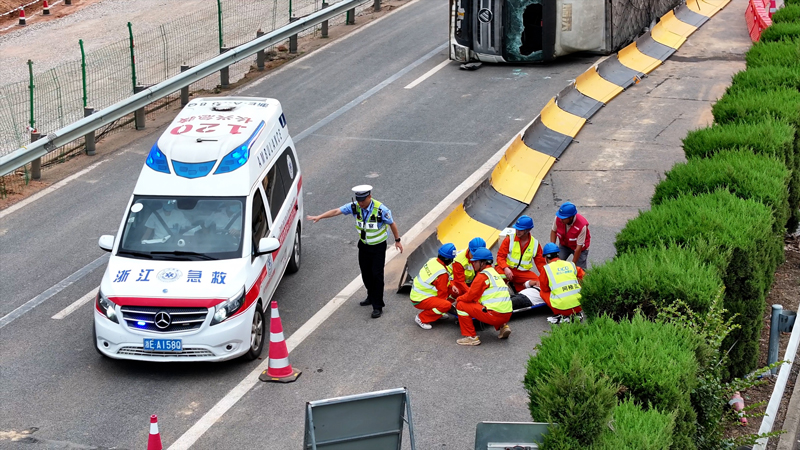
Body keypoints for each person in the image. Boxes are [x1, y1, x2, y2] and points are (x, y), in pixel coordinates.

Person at [306, 185, 403, 318]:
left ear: (370, 196)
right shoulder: (355, 207)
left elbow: (392, 223)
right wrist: (320, 217)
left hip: (378, 247)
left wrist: (397, 240)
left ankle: (377, 306)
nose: (360, 203)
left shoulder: (381, 209)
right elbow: (336, 211)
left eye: (363, 200)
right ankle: (370, 295)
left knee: (376, 275)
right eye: (358, 200)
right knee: (366, 274)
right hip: (363, 246)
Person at [454, 248, 513, 346]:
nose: (473, 264)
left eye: (475, 261)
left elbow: (470, 297)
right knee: (487, 303)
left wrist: (458, 299)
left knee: (461, 305)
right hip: (507, 314)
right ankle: (503, 327)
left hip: (495, 316)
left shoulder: (482, 276)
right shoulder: (494, 273)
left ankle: (471, 337)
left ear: (483, 263)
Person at [410, 243, 457, 330]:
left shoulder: (433, 260)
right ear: (448, 259)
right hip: (420, 299)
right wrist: (444, 307)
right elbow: (442, 293)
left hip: (417, 294)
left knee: (450, 293)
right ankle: (422, 318)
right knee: (445, 305)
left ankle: (437, 313)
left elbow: (441, 282)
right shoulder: (442, 273)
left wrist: (452, 285)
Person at [496, 215, 546, 293]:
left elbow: (541, 264)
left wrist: (546, 277)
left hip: (522, 273)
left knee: (539, 282)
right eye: (517, 229)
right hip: (506, 269)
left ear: (528, 230)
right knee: (497, 279)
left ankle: (517, 287)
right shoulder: (509, 239)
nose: (517, 231)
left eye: (520, 230)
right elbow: (500, 256)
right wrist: (505, 268)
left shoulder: (535, 244)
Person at [538, 242, 585, 324]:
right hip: (579, 306)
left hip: (562, 309)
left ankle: (560, 313)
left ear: (546, 258)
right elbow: (585, 279)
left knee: (542, 292)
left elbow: (544, 288)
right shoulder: (571, 264)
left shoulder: (547, 269)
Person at [549, 201, 591, 269]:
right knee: (556, 264)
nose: (561, 219)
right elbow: (553, 231)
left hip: (579, 249)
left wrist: (573, 265)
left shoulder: (582, 226)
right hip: (564, 245)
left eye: (563, 218)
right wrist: (552, 248)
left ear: (571, 217)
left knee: (579, 270)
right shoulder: (558, 218)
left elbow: (578, 248)